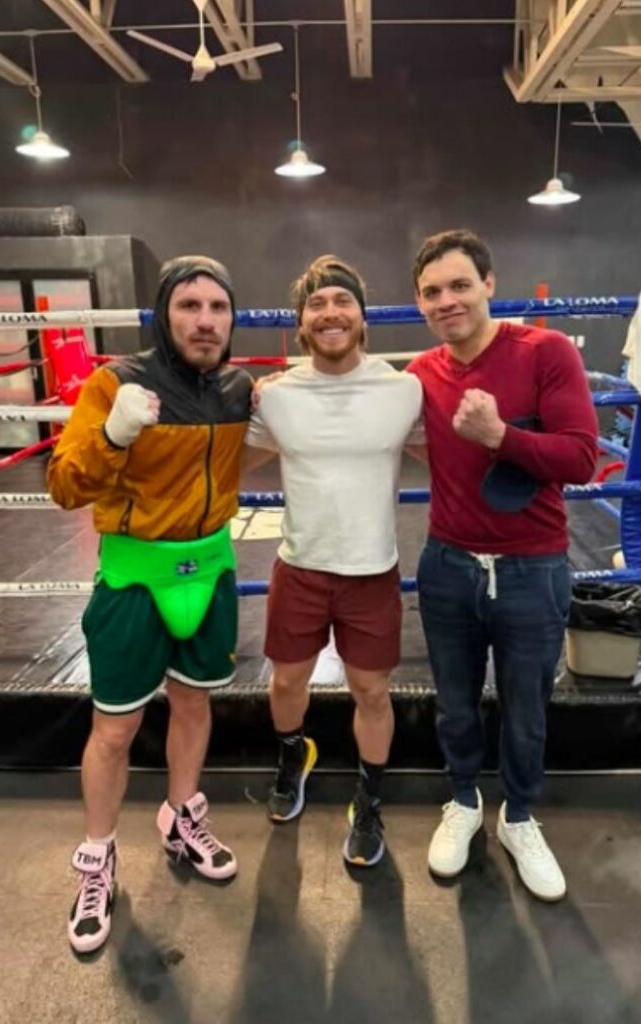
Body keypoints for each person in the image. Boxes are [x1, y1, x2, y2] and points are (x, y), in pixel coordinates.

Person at [48, 255, 252, 953]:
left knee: (194, 704)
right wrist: (113, 436)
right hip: (135, 578)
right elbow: (64, 486)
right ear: (163, 314)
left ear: (232, 317)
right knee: (114, 729)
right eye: (189, 306)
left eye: (218, 307)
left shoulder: (239, 389)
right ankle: (97, 858)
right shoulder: (116, 384)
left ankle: (180, 817)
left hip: (210, 572)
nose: (205, 321)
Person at [408, 229, 598, 899]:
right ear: (419, 302)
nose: (447, 301)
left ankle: (518, 817)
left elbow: (581, 458)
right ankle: (462, 801)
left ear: (488, 284)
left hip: (531, 567)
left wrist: (499, 436)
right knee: (454, 703)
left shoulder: (545, 351)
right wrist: (276, 396)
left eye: (460, 285)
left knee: (526, 709)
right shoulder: (419, 374)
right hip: (447, 564)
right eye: (432, 291)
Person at [242, 255, 423, 868]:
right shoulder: (277, 397)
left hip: (372, 570)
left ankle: (369, 800)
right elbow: (227, 464)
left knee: (371, 690)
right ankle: (294, 754)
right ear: (301, 323)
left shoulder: (403, 391)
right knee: (286, 681)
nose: (330, 313)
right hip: (301, 566)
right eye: (316, 304)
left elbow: (449, 455)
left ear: (363, 318)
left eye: (342, 301)